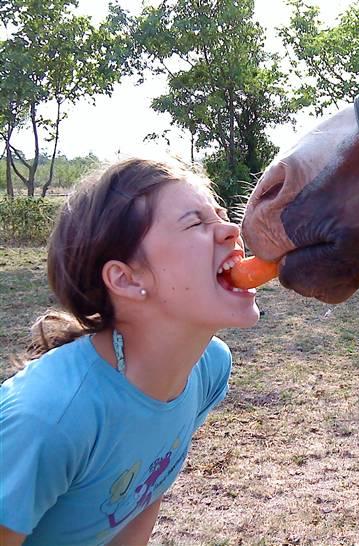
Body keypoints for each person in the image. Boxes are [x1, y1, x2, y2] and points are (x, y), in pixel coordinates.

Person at [0, 158, 259, 545]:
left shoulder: (208, 368)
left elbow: (142, 493)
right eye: (195, 223)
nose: (231, 230)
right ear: (125, 278)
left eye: (220, 215)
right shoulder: (50, 419)